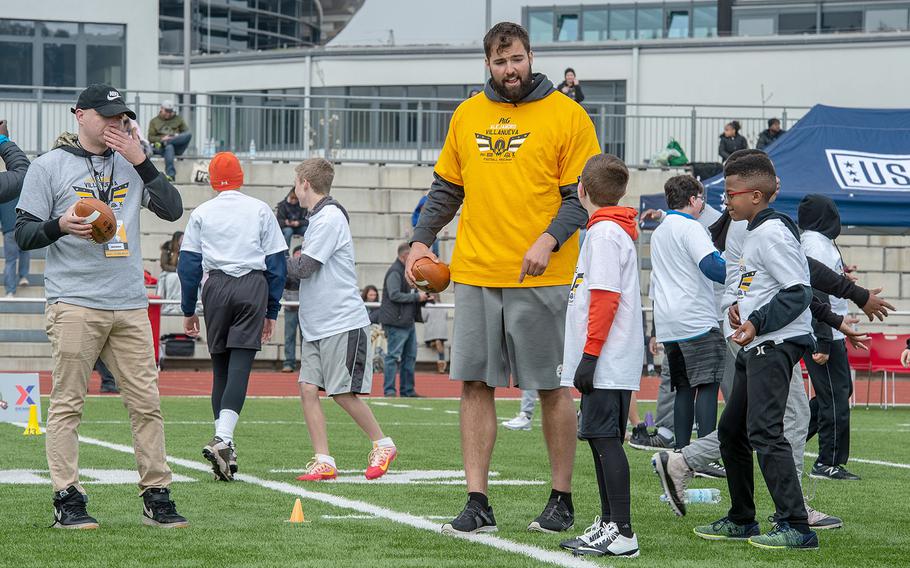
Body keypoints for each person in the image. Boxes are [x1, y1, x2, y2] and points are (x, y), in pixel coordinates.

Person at [407, 22, 600, 535]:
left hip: (543, 274)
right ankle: (477, 501)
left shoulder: (568, 115)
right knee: (474, 385)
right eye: (499, 62)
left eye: (516, 59)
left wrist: (549, 240)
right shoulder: (467, 114)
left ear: (530, 56)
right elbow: (446, 188)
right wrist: (421, 240)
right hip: (474, 271)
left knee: (552, 387)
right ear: (487, 65)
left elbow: (579, 198)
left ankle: (561, 498)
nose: (509, 70)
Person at [15, 83, 187, 528]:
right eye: (107, 116)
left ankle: (157, 494)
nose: (116, 123)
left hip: (129, 301)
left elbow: (173, 210)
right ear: (80, 115)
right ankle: (68, 497)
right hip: (74, 302)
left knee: (147, 403)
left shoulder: (132, 163)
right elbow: (23, 234)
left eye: (121, 116)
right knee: (69, 403)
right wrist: (59, 225)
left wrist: (142, 161)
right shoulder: (48, 166)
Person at [694, 151, 819, 550]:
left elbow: (799, 291)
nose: (726, 201)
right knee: (732, 431)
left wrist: (757, 321)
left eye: (731, 194)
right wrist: (738, 307)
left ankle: (796, 525)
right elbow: (754, 287)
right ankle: (742, 518)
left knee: (766, 431)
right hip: (756, 343)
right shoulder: (753, 233)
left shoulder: (771, 233)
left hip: (774, 344)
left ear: (756, 195)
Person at [178, 151, 288, 481]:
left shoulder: (202, 211)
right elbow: (277, 264)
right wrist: (272, 309)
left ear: (212, 180)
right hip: (251, 284)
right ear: (241, 177)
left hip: (216, 286)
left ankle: (226, 445)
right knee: (240, 365)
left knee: (220, 368)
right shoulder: (259, 209)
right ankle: (223, 439)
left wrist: (188, 308)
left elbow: (188, 265)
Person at [287, 158, 397, 482]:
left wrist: (272, 262)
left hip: (340, 321)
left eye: (296, 183)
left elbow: (305, 268)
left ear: (306, 183)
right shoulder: (318, 219)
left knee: (342, 392)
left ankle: (383, 442)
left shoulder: (330, 217)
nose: (295, 190)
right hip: (316, 325)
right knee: (308, 389)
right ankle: (324, 459)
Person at [558, 153, 641, 557]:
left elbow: (606, 299)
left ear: (581, 190)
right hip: (607, 357)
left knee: (606, 441)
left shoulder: (605, 234)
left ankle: (622, 531)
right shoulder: (606, 230)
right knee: (598, 439)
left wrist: (589, 356)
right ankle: (610, 523)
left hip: (607, 358)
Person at [649, 175, 726, 450]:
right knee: (707, 385)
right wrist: (743, 269)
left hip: (669, 322)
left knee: (683, 388)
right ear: (692, 199)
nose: (702, 203)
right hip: (696, 318)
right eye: (701, 198)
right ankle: (705, 454)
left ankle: (681, 452)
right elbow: (713, 268)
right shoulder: (692, 228)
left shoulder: (660, 231)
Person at [798, 194, 859, 481]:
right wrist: (822, 339)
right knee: (834, 396)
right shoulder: (814, 244)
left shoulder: (820, 242)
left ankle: (792, 436)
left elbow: (827, 282)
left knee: (835, 393)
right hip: (824, 331)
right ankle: (828, 462)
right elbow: (815, 291)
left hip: (832, 329)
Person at [378, 242, 427, 397]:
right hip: (397, 322)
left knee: (409, 358)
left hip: (406, 321)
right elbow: (394, 294)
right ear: (405, 256)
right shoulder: (395, 272)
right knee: (393, 357)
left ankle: (407, 390)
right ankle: (390, 391)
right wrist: (416, 296)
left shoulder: (404, 271)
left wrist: (423, 297)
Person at [0, 120, 31, 298]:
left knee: (11, 259)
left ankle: (10, 291)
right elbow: (23, 172)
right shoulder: (18, 191)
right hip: (22, 226)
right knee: (24, 252)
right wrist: (2, 140)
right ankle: (24, 276)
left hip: (8, 230)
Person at [148, 100, 191, 181]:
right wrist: (162, 139)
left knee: (188, 134)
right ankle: (171, 175)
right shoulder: (154, 121)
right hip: (161, 148)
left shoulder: (178, 119)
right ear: (161, 109)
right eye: (166, 111)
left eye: (170, 111)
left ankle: (167, 142)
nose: (168, 113)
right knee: (169, 147)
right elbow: (150, 138)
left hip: (176, 145)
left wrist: (176, 137)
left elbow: (185, 132)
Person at [282, 245, 303, 372]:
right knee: (289, 336)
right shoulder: (288, 269)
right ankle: (289, 362)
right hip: (291, 307)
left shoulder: (307, 269)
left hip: (305, 308)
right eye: (297, 254)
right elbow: (282, 286)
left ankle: (305, 363)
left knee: (305, 337)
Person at [157, 231, 183, 315]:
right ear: (177, 239)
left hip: (180, 273)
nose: (183, 240)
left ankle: (181, 304)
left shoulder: (185, 249)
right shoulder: (167, 248)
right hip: (169, 273)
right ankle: (170, 303)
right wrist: (176, 270)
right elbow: (163, 265)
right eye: (182, 238)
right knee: (174, 278)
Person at [422, 293, 449, 373]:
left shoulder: (428, 306)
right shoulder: (443, 306)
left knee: (437, 343)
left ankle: (441, 366)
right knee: (440, 345)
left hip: (433, 330)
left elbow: (423, 317)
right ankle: (442, 364)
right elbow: (446, 316)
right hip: (441, 330)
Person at [362, 285, 385, 372]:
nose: (373, 297)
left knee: (380, 336)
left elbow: (375, 320)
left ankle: (376, 362)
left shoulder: (378, 307)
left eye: (374, 295)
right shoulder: (360, 306)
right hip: (364, 330)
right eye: (370, 295)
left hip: (374, 330)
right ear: (366, 295)